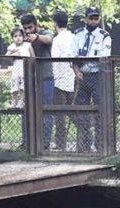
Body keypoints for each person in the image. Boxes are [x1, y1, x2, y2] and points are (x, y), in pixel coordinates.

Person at [73, 7, 112, 153]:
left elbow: (104, 56)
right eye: (91, 18)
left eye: (96, 18)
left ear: (99, 19)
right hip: (82, 75)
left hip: (97, 76)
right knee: (81, 110)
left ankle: (100, 145)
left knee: (100, 110)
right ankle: (84, 144)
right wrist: (76, 71)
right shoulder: (77, 34)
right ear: (86, 19)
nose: (94, 20)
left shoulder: (104, 36)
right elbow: (73, 56)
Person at [20, 13, 54, 149]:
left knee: (45, 111)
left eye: (30, 27)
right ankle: (26, 141)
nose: (28, 31)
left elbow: (49, 39)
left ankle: (45, 142)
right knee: (27, 110)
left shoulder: (44, 32)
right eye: (25, 28)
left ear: (36, 24)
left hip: (45, 77)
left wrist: (37, 37)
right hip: (30, 77)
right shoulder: (23, 36)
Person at [50, 10, 77, 151]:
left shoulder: (57, 39)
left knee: (59, 114)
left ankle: (61, 144)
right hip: (73, 78)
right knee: (74, 111)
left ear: (55, 23)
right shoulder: (73, 37)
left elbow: (54, 60)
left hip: (59, 80)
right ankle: (85, 139)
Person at [5, 28, 34, 108]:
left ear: (23, 37)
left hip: (25, 68)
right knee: (14, 87)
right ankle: (14, 102)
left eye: (20, 35)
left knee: (23, 87)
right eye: (15, 36)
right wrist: (14, 53)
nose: (18, 38)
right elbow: (6, 57)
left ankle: (21, 102)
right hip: (16, 68)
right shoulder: (12, 47)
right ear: (12, 38)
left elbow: (33, 57)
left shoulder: (27, 45)